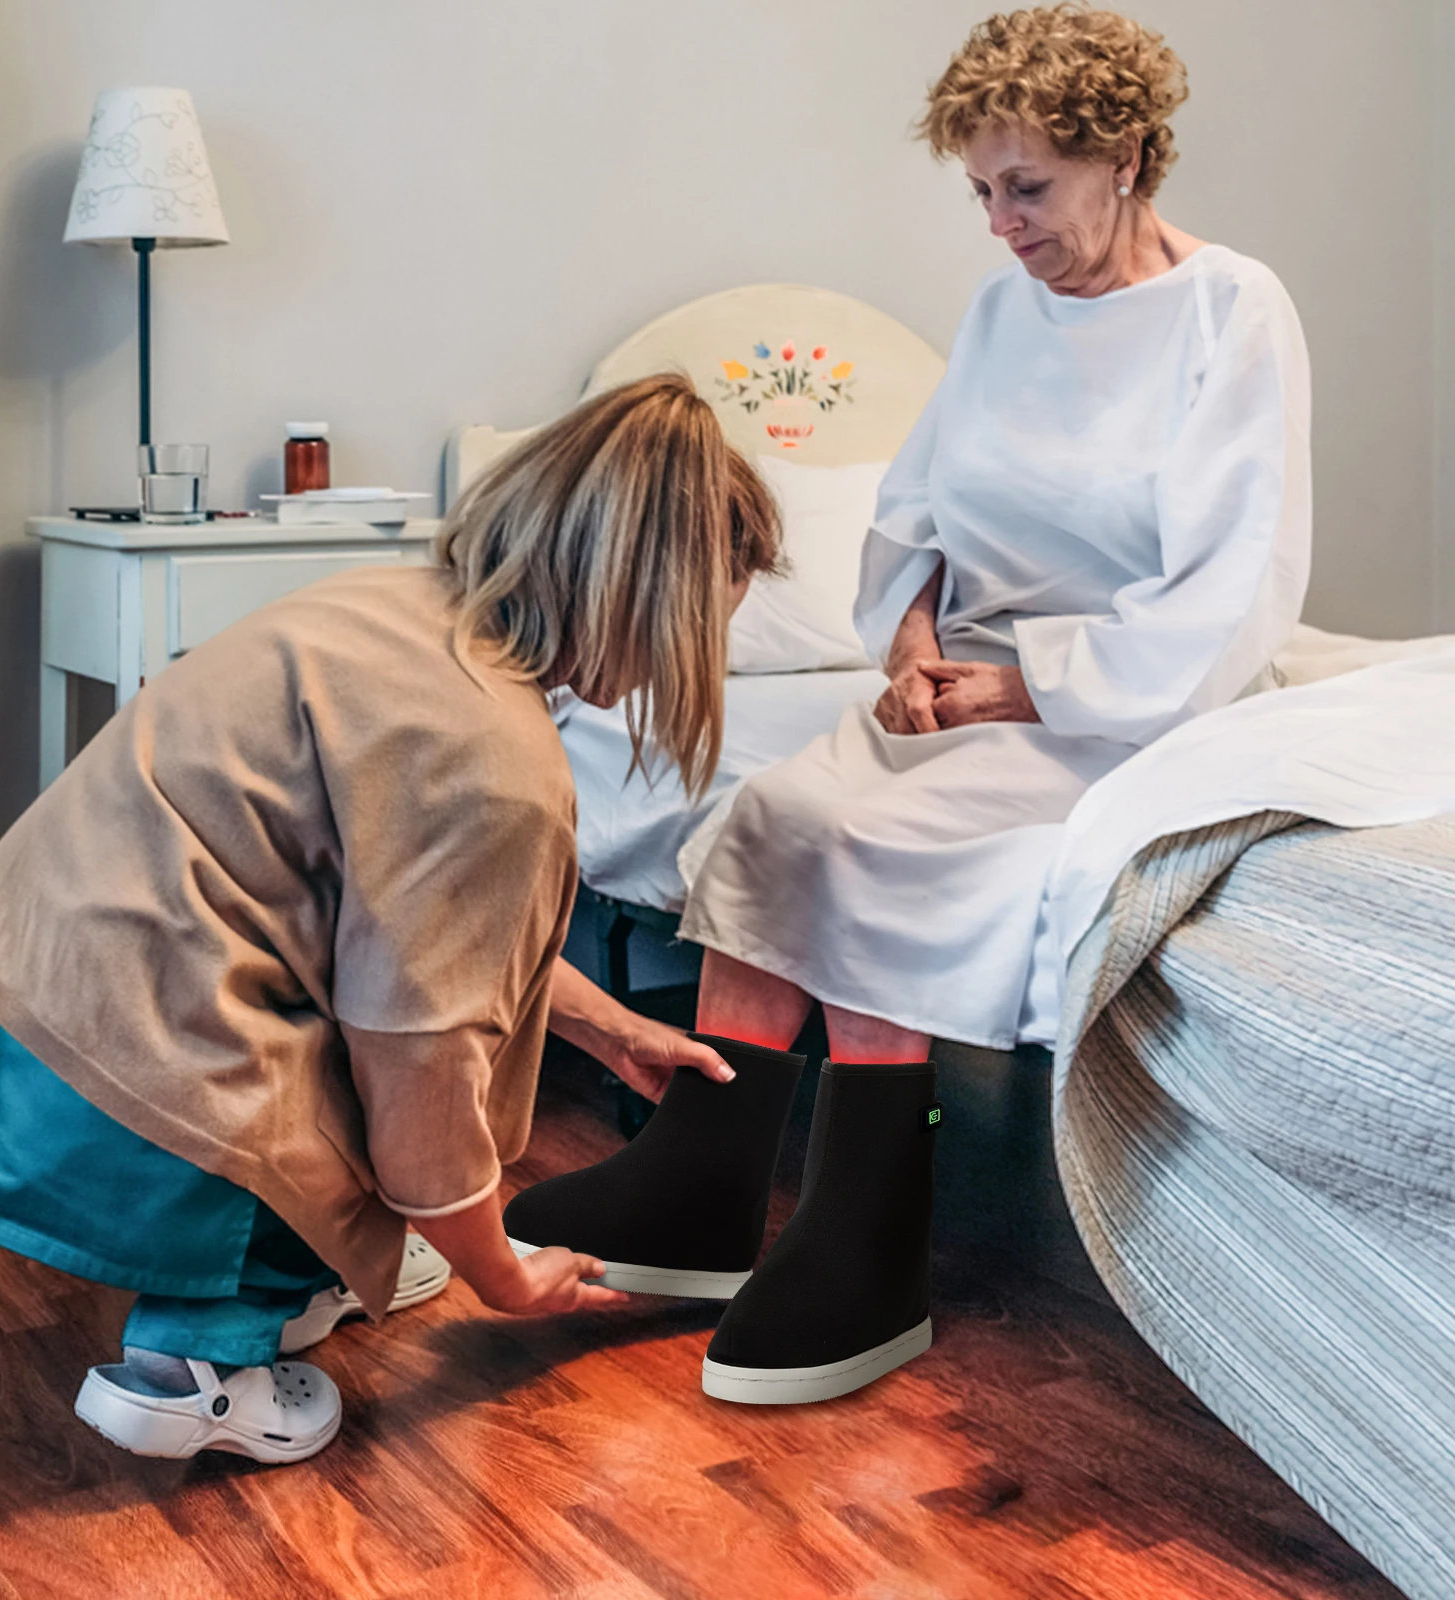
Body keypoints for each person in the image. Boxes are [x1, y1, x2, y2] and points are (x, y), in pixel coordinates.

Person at [506, 4, 1311, 1406]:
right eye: (981, 191)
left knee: (876, 844)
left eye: (1028, 188)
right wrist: (914, 642)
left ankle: (870, 1234)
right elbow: (919, 506)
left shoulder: (1233, 310)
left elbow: (1235, 578)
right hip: (966, 672)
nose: (1000, 224)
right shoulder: (1004, 310)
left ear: (1123, 154)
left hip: (1116, 695)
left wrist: (1029, 685)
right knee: (774, 811)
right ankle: (703, 1187)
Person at [0, 373, 784, 1463]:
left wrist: (613, 1029)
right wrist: (501, 1271)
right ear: (640, 596)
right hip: (108, 1096)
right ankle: (193, 1368)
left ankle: (282, 1272)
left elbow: (423, 934)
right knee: (358, 1088)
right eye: (697, 626)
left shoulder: (393, 609)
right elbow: (419, 1059)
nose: (683, 660)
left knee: (350, 1051)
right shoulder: (497, 763)